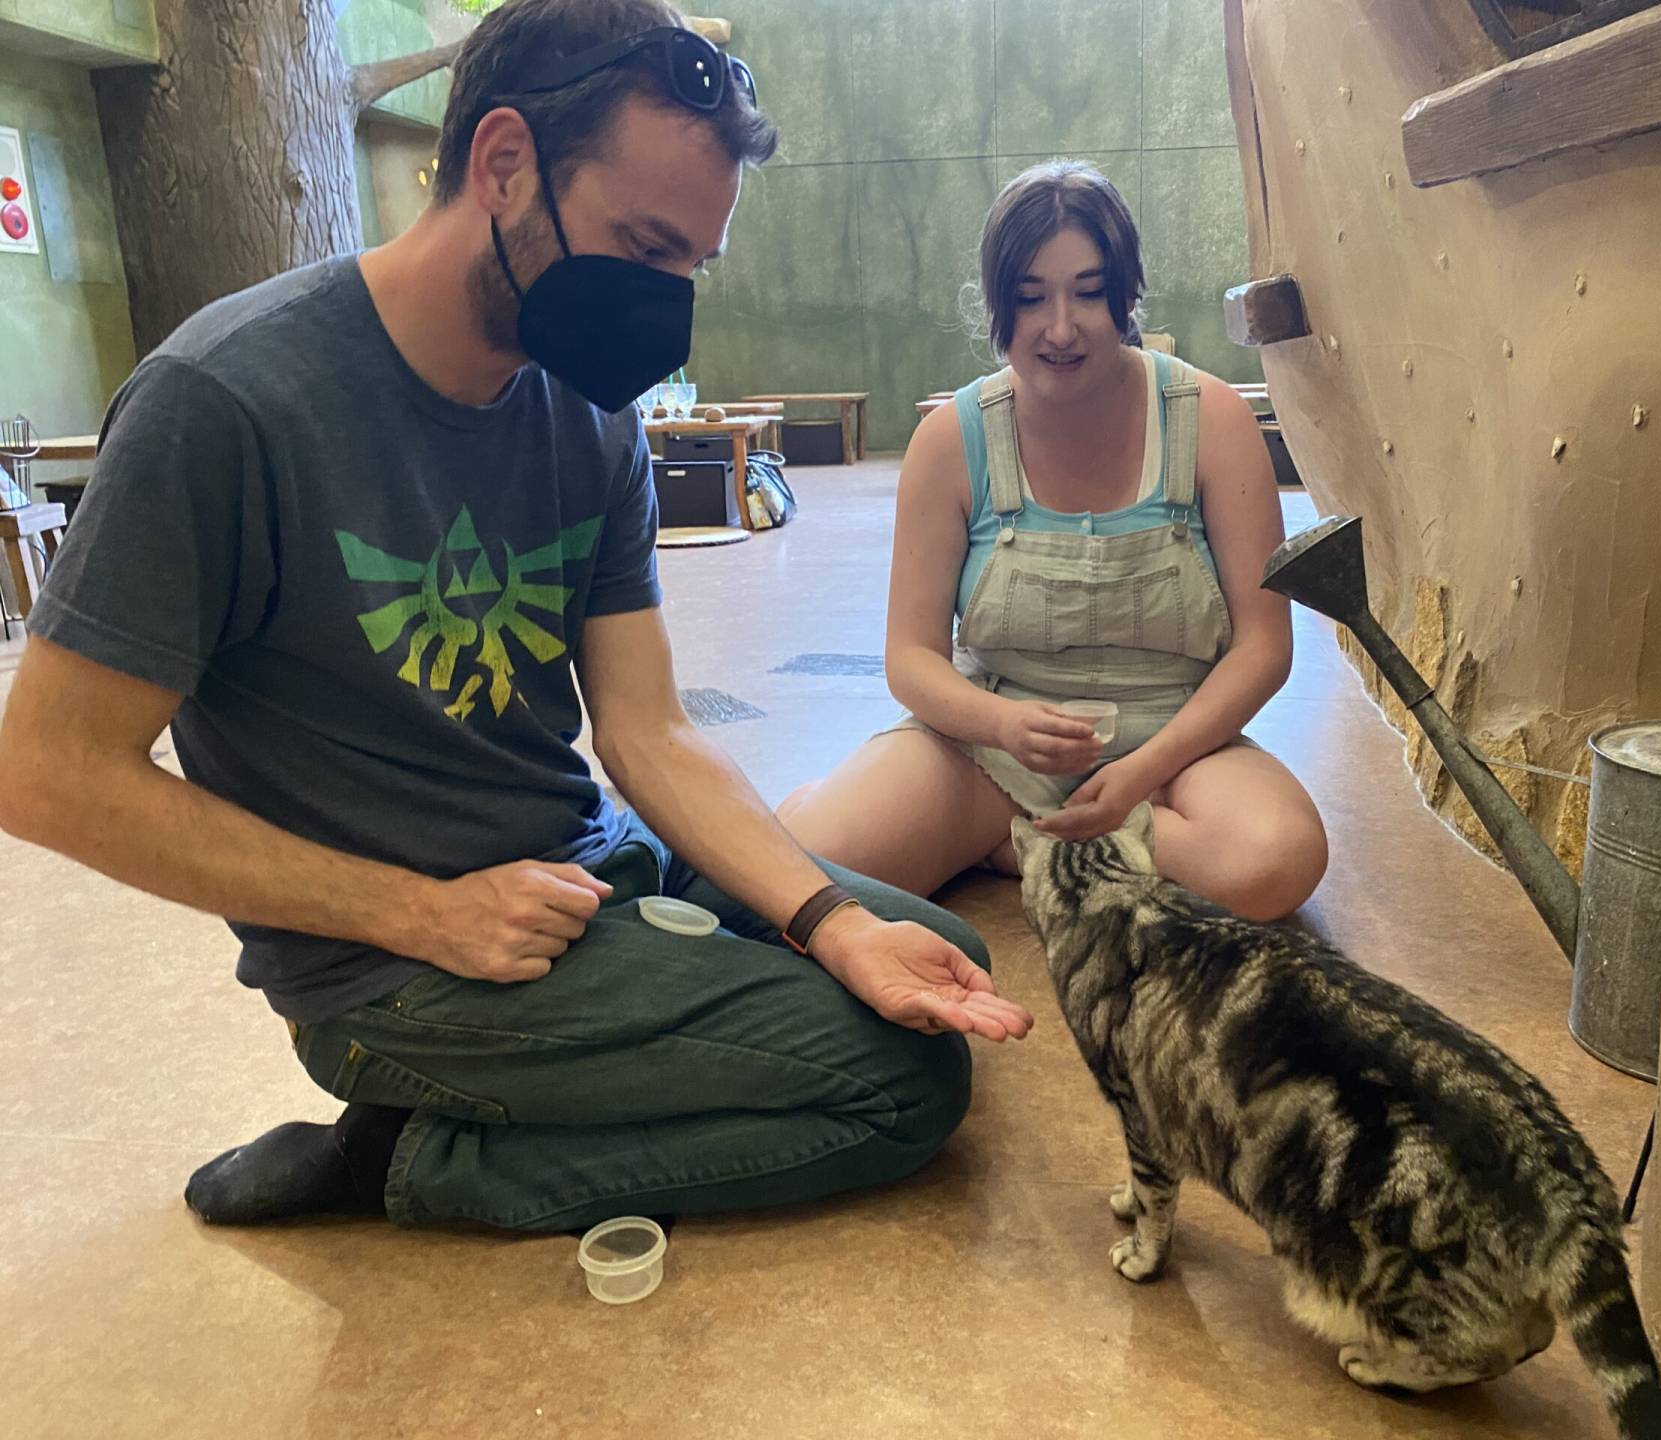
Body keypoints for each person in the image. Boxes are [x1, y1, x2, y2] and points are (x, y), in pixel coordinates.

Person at [0, 0, 1031, 1234]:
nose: (661, 304)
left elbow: (649, 732)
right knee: (903, 1083)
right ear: (501, 163)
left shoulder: (588, 413)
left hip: (578, 866)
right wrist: (421, 913)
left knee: (924, 956)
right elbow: (47, 774)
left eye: (689, 267)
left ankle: (522, 1093)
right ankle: (410, 1159)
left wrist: (833, 922)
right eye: (641, 246)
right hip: (390, 958)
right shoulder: (221, 403)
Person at [780, 162, 1327, 920]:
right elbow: (910, 658)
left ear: (1127, 296)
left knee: (1277, 859)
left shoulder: (1213, 421)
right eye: (1031, 297)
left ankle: (1016, 845)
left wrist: (1142, 772)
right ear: (995, 304)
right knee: (810, 859)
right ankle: (1039, 835)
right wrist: (1004, 726)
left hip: (1177, 751)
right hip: (991, 750)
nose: (1061, 329)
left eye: (1089, 293)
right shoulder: (950, 441)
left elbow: (1264, 648)